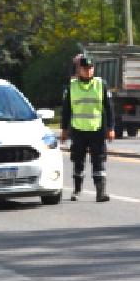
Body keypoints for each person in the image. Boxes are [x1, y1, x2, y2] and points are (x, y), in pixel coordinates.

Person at [60, 54, 116, 202]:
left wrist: (111, 128)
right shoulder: (71, 87)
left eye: (91, 68)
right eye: (85, 68)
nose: (88, 71)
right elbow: (66, 110)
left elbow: (109, 108)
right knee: (78, 161)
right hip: (78, 131)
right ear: (79, 70)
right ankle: (77, 190)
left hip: (97, 130)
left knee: (99, 160)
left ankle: (100, 192)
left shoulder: (101, 84)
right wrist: (64, 130)